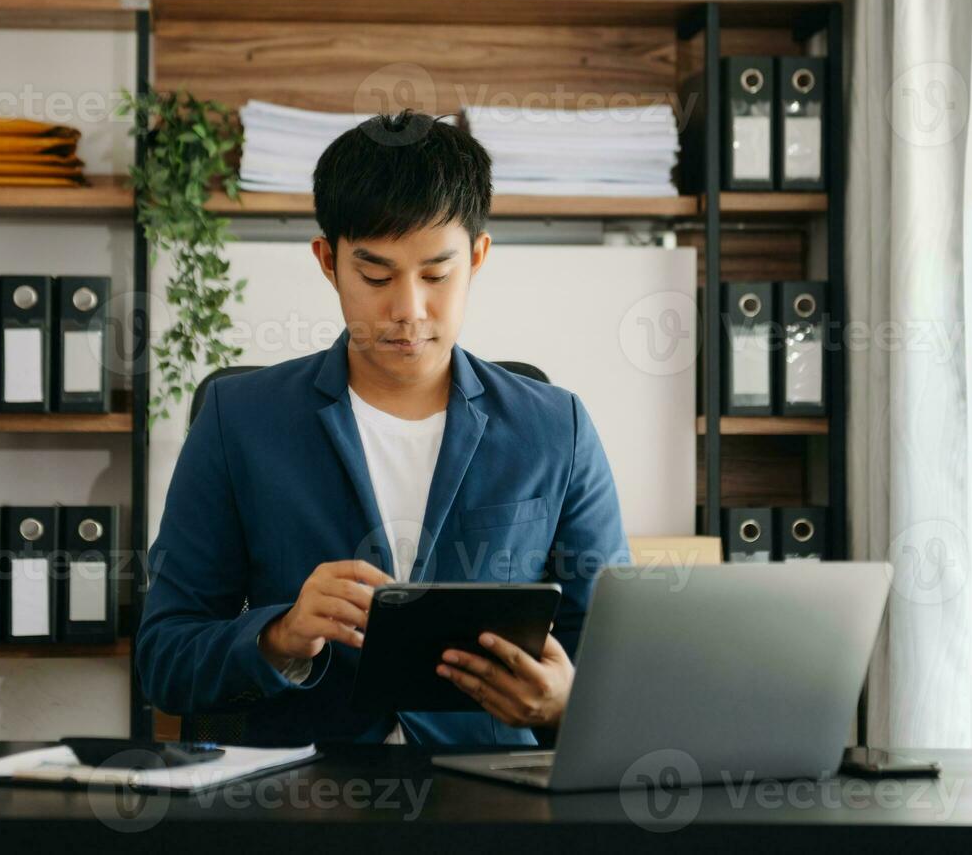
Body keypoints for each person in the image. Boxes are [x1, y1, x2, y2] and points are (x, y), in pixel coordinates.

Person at [136, 110, 629, 746]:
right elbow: (163, 660)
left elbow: (618, 667)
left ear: (477, 257)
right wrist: (280, 636)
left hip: (489, 800)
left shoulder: (555, 427)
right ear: (327, 261)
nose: (407, 311)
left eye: (435, 274)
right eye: (375, 275)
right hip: (301, 800)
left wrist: (563, 704)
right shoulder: (239, 422)